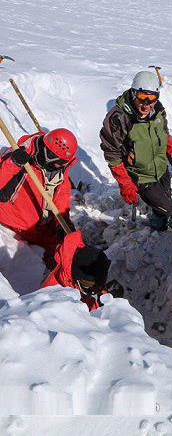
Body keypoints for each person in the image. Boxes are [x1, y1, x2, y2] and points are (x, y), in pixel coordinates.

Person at [100, 71, 172, 231]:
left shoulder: (157, 110)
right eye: (142, 97)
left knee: (167, 199)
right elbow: (112, 155)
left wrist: (170, 152)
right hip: (141, 175)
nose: (146, 104)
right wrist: (126, 184)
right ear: (133, 93)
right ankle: (157, 224)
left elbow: (163, 132)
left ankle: (160, 225)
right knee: (166, 207)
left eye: (151, 98)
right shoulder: (120, 118)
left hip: (160, 167)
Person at [0, 129, 77, 258]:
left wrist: (63, 221)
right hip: (17, 220)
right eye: (60, 163)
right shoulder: (20, 154)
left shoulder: (57, 166)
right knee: (59, 251)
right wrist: (12, 164)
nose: (61, 166)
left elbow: (61, 193)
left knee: (68, 239)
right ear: (49, 156)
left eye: (64, 163)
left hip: (42, 220)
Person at [42, 230, 121, 311]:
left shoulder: (83, 263)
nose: (94, 291)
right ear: (77, 279)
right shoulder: (52, 296)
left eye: (98, 286)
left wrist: (104, 300)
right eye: (91, 287)